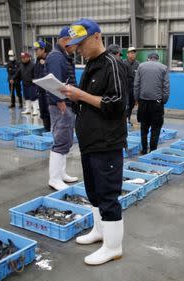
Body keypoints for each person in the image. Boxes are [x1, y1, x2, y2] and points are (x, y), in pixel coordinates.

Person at [60, 18, 128, 266]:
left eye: (81, 44)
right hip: (89, 141)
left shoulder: (113, 64)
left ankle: (113, 246)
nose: (78, 50)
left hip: (106, 142)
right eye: (75, 46)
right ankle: (100, 232)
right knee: (94, 192)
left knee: (108, 195)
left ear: (97, 37)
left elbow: (117, 104)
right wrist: (70, 95)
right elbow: (87, 102)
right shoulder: (90, 65)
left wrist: (80, 95)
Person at [45, 26, 79, 190]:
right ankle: (54, 178)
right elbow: (52, 83)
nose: (76, 47)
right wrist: (60, 101)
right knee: (61, 140)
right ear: (66, 40)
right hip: (61, 105)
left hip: (66, 103)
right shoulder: (56, 57)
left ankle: (61, 174)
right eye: (75, 43)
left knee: (66, 139)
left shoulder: (63, 56)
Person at [134, 52, 170, 154]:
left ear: (148, 58)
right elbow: (166, 86)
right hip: (157, 103)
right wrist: (164, 100)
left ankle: (144, 149)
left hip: (143, 102)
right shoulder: (163, 68)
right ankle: (153, 150)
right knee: (156, 128)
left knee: (144, 127)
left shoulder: (141, 66)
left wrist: (136, 99)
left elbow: (136, 84)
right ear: (157, 59)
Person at [33, 40, 51, 131]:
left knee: (50, 113)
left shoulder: (50, 59)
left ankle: (52, 132)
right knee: (43, 113)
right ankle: (46, 130)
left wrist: (45, 65)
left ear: (43, 49)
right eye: (35, 50)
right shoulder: (37, 61)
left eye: (37, 50)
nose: (35, 52)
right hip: (40, 91)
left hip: (48, 92)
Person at [124, 47, 139, 125]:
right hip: (125, 88)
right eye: (131, 53)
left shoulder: (137, 64)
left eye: (134, 53)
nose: (133, 54)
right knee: (126, 105)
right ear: (127, 54)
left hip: (134, 88)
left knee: (132, 105)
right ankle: (124, 121)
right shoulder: (123, 63)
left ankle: (128, 119)